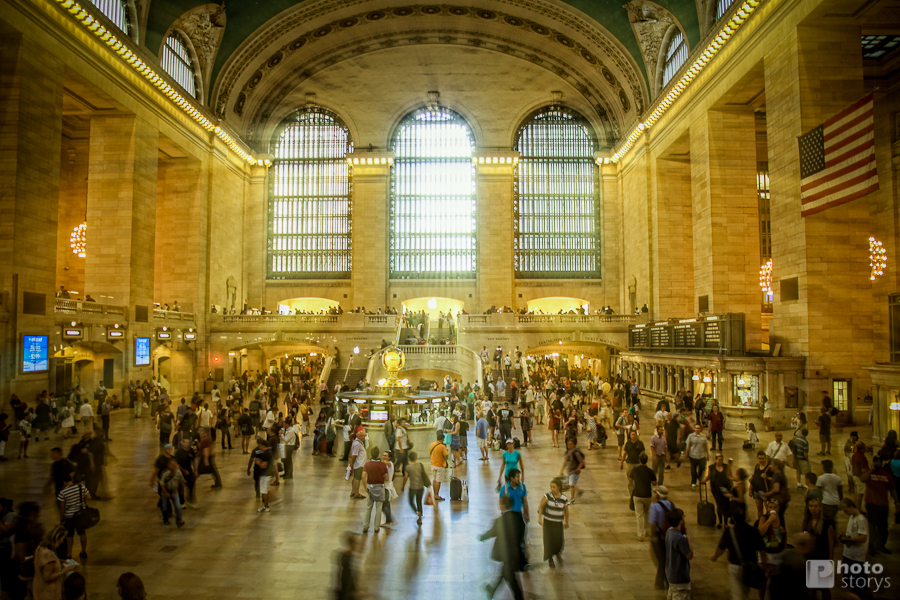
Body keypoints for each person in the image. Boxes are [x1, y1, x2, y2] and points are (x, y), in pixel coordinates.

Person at [711, 504, 767, 600]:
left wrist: (715, 557)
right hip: (749, 567)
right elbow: (762, 551)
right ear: (745, 517)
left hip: (735, 566)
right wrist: (764, 565)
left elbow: (721, 548)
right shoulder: (753, 531)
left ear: (733, 518)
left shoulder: (730, 531)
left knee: (737, 595)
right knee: (745, 594)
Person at [480, 495, 527, 600]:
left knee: (509, 576)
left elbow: (492, 532)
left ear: (503, 506)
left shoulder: (500, 520)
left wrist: (482, 537)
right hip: (516, 552)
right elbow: (523, 531)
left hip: (506, 553)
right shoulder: (519, 517)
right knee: (505, 572)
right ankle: (492, 590)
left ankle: (519, 597)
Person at [860, 454, 899, 554]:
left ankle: (880, 545)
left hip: (883, 505)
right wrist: (871, 470)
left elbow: (893, 489)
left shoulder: (886, 474)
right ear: (873, 462)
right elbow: (862, 479)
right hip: (871, 504)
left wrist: (897, 502)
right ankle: (871, 546)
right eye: (877, 461)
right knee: (872, 526)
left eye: (880, 462)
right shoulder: (869, 473)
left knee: (883, 527)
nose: (879, 463)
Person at [33, 525, 76, 600]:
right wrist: (64, 570)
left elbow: (42, 563)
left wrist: (59, 560)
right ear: (56, 538)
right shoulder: (49, 556)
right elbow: (47, 577)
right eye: (62, 539)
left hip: (39, 587)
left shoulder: (40, 548)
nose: (62, 541)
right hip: (48, 593)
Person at [837, 498, 869, 597]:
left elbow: (863, 538)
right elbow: (853, 534)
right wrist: (845, 536)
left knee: (860, 584)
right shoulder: (852, 517)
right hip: (849, 554)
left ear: (851, 507)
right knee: (849, 579)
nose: (844, 512)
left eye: (845, 510)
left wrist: (848, 540)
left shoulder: (861, 520)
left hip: (857, 557)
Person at [56, 470, 89, 559]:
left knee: (70, 536)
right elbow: (88, 497)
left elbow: (62, 507)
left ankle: (69, 554)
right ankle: (84, 551)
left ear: (64, 482)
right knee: (82, 533)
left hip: (69, 517)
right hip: (80, 515)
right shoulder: (80, 487)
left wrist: (61, 519)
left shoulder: (63, 493)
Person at [537, 477, 569, 568]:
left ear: (559, 487)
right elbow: (541, 506)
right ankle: (550, 558)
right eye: (551, 487)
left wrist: (566, 521)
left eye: (554, 487)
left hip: (558, 522)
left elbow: (566, 510)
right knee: (548, 541)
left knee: (559, 540)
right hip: (548, 522)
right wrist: (540, 518)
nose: (552, 489)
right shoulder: (547, 496)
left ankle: (557, 552)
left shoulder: (564, 498)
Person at [649, 486, 675, 590]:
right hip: (670, 535)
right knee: (667, 558)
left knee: (661, 560)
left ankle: (662, 582)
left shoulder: (655, 506)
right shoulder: (671, 505)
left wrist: (651, 536)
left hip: (659, 536)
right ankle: (664, 581)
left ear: (658, 495)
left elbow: (652, 525)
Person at [665, 509, 693, 600]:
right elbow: (689, 556)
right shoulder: (679, 538)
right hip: (680, 578)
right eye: (683, 516)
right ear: (680, 520)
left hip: (671, 575)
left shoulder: (669, 531)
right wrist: (689, 541)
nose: (685, 518)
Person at [701, 454, 735, 529]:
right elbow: (709, 476)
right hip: (716, 489)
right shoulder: (712, 467)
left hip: (726, 489)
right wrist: (704, 480)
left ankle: (725, 523)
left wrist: (732, 487)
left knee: (725, 506)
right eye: (719, 460)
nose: (721, 461)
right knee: (719, 506)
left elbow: (730, 476)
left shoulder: (726, 467)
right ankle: (720, 522)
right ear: (716, 460)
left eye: (722, 460)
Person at [630, 452, 657, 541]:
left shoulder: (635, 470)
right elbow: (654, 483)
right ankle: (647, 531)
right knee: (647, 513)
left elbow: (630, 479)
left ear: (639, 460)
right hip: (647, 495)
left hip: (637, 494)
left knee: (639, 515)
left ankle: (640, 534)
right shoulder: (650, 471)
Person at [361, 448, 388, 534]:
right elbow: (387, 478)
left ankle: (365, 526)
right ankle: (376, 527)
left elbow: (363, 476)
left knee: (369, 507)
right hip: (379, 487)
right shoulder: (383, 465)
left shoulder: (367, 464)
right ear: (378, 455)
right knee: (378, 508)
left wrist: (365, 487)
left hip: (370, 487)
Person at [401, 451, 430, 525]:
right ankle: (420, 518)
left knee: (411, 501)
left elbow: (405, 478)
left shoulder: (408, 467)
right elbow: (426, 475)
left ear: (409, 458)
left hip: (412, 488)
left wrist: (403, 486)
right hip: (420, 487)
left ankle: (416, 511)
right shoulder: (420, 465)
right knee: (419, 502)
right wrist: (429, 484)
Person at [248, 437, 277, 512]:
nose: (259, 448)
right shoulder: (269, 452)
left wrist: (258, 462)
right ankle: (265, 505)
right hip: (267, 473)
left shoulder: (266, 453)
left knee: (264, 491)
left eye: (260, 446)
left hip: (265, 474)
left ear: (262, 446)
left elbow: (263, 465)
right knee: (265, 490)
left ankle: (266, 506)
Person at [159, 458, 186, 528]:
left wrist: (182, 491)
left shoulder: (178, 473)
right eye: (172, 465)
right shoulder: (165, 473)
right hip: (165, 492)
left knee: (177, 506)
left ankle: (179, 520)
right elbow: (162, 485)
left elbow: (181, 482)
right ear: (168, 465)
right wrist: (166, 493)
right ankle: (165, 519)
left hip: (174, 492)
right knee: (164, 507)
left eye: (175, 465)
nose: (174, 467)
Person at [334, 532, 359, 600]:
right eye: (356, 542)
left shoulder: (349, 557)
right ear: (351, 544)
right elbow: (345, 581)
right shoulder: (345, 559)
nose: (357, 545)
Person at [560, 437, 586, 504]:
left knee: (571, 484)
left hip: (574, 471)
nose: (568, 445)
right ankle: (578, 491)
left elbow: (582, 461)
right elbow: (565, 461)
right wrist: (562, 469)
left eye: (570, 444)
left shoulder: (576, 453)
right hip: (569, 471)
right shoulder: (568, 452)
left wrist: (578, 469)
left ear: (574, 445)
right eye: (568, 444)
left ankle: (572, 499)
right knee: (571, 484)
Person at [621, 429, 646, 494]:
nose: (633, 436)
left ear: (637, 435)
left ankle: (638, 491)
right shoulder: (628, 443)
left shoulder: (640, 443)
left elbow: (643, 453)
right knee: (630, 478)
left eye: (634, 435)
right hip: (630, 463)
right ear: (630, 436)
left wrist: (643, 463)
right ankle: (631, 492)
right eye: (632, 435)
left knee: (638, 478)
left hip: (637, 463)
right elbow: (625, 453)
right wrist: (621, 462)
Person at [685, 424, 709, 488]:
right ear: (694, 429)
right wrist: (686, 453)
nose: (697, 429)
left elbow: (706, 445)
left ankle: (699, 476)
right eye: (696, 428)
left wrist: (708, 454)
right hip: (693, 456)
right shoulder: (691, 436)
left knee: (703, 468)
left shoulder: (703, 436)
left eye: (698, 428)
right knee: (693, 470)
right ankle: (693, 481)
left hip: (702, 455)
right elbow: (688, 445)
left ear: (700, 429)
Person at [428, 431, 449, 501]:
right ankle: (437, 495)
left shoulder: (432, 444)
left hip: (433, 464)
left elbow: (430, 453)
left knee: (434, 479)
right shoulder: (442, 446)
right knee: (438, 481)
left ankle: (434, 494)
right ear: (442, 439)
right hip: (440, 465)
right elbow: (446, 456)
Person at [348, 428, 367, 500]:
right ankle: (356, 493)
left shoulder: (357, 443)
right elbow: (354, 455)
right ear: (358, 436)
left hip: (358, 463)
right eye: (362, 436)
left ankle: (353, 492)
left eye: (364, 436)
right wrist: (352, 463)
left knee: (355, 478)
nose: (363, 438)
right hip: (359, 464)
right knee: (357, 479)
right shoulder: (357, 444)